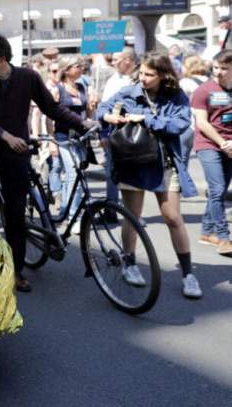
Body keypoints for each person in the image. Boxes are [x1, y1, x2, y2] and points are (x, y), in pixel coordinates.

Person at [0, 35, 91, 293]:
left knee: (15, 217)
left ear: (1, 59)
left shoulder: (28, 77)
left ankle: (16, 271)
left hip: (15, 156)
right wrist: (6, 136)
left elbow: (51, 108)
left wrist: (82, 123)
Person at [98, 52, 202, 299]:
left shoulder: (175, 95)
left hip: (163, 163)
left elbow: (180, 124)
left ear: (164, 75)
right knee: (132, 217)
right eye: (141, 73)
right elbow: (102, 108)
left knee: (173, 217)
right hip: (132, 161)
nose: (143, 78)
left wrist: (147, 119)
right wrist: (108, 116)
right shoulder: (129, 92)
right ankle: (130, 263)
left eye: (150, 74)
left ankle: (188, 273)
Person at [190, 50, 232, 255]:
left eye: (224, 68)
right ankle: (224, 237)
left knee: (221, 189)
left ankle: (206, 231)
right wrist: (223, 143)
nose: (219, 72)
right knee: (217, 189)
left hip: (229, 144)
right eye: (216, 67)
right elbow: (202, 123)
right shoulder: (204, 90)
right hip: (208, 143)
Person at [48, 56, 92, 233]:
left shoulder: (82, 87)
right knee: (74, 174)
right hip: (63, 136)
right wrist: (52, 142)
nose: (81, 68)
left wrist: (92, 109)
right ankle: (74, 216)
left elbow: (87, 112)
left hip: (80, 137)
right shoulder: (57, 89)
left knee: (77, 175)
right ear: (66, 69)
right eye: (77, 66)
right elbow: (49, 117)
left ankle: (65, 212)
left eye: (82, 66)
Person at [99, 48, 138, 211]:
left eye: (117, 59)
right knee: (111, 172)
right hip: (115, 132)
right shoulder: (113, 79)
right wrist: (103, 133)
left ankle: (134, 213)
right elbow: (104, 108)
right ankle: (112, 209)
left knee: (133, 174)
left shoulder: (137, 79)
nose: (113, 63)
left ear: (128, 60)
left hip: (136, 133)